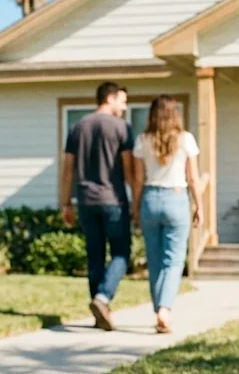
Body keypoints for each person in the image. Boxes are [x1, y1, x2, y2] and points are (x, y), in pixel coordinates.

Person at [60, 82, 134, 331]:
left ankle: (98, 313)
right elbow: (128, 169)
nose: (124, 108)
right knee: (121, 253)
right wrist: (137, 199)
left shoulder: (77, 127)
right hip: (113, 200)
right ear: (110, 98)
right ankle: (102, 298)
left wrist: (65, 203)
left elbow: (68, 170)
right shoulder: (121, 127)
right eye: (122, 101)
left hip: (85, 201)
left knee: (95, 256)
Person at [130, 95, 203, 333]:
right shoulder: (186, 139)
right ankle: (164, 309)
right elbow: (193, 177)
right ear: (175, 114)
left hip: (150, 198)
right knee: (173, 260)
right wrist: (199, 206)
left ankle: (159, 309)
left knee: (154, 259)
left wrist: (135, 206)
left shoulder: (142, 140)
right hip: (176, 197)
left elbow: (138, 179)